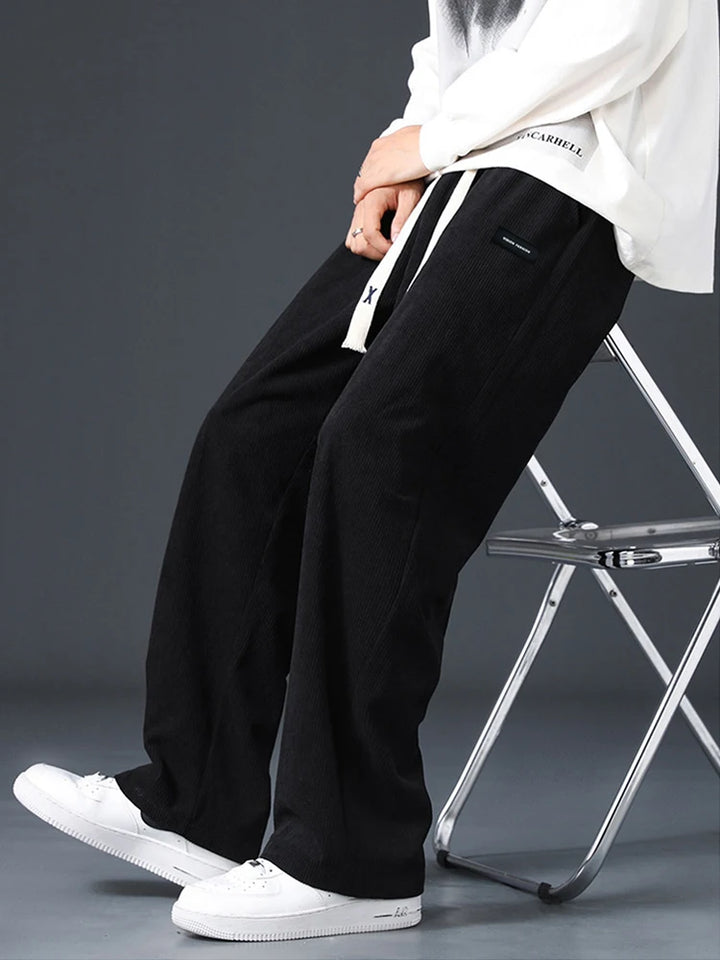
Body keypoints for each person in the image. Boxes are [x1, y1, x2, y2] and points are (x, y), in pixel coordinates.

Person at [12, 0, 718, 944]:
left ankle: (350, 857)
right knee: (252, 436)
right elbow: (457, 38)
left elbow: (622, 27)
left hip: (572, 179)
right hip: (465, 165)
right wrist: (404, 155)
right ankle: (195, 802)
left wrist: (430, 140)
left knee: (379, 450)